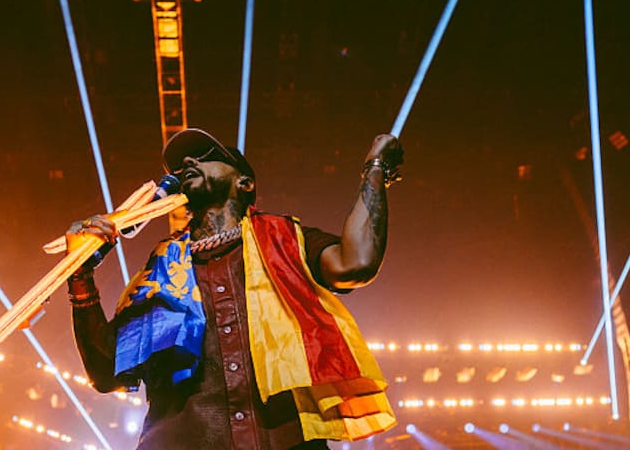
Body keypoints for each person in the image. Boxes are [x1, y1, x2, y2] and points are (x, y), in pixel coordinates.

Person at [65, 128, 403, 449]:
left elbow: (355, 263)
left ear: (244, 183)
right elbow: (105, 373)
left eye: (205, 156)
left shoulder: (287, 240)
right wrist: (80, 274)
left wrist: (375, 168)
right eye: (183, 164)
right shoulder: (158, 274)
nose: (188, 163)